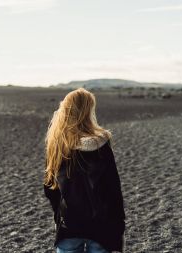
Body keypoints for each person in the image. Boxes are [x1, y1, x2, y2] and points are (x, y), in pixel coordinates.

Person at [43, 87, 126, 253]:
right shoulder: (101, 143)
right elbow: (113, 188)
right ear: (88, 111)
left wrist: (58, 217)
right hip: (101, 224)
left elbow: (50, 187)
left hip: (70, 223)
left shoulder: (59, 143)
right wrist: (119, 226)